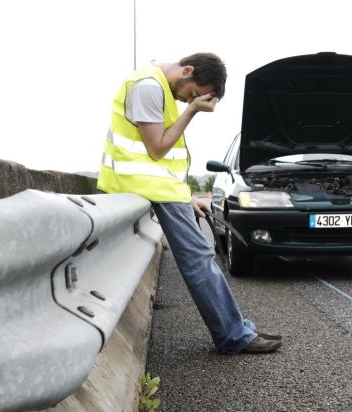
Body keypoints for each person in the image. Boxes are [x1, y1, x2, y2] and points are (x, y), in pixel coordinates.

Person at [97, 53, 281, 354]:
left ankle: (238, 328)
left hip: (159, 188)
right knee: (199, 259)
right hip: (148, 188)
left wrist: (188, 196)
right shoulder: (147, 86)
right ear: (187, 70)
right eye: (193, 93)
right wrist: (193, 111)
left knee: (201, 258)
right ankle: (234, 337)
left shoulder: (157, 86)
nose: (188, 100)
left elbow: (162, 163)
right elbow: (157, 149)